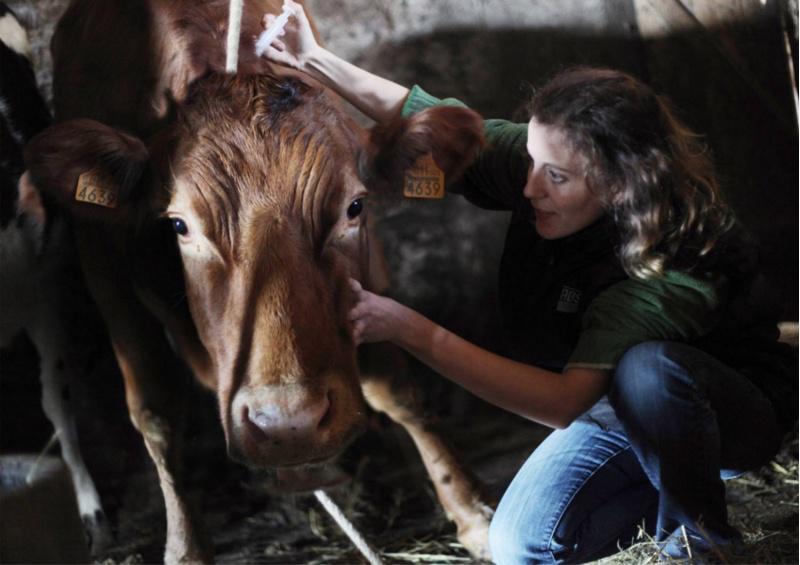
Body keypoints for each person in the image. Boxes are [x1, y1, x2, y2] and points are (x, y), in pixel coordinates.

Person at [262, 2, 797, 562]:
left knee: (650, 369)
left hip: (719, 414)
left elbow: (563, 403)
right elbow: (436, 121)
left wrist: (409, 328)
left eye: (555, 177)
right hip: (615, 403)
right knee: (520, 545)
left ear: (618, 186)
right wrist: (315, 59)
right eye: (533, 161)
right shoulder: (548, 167)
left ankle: (699, 540)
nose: (529, 188)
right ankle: (654, 488)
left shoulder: (671, 264)